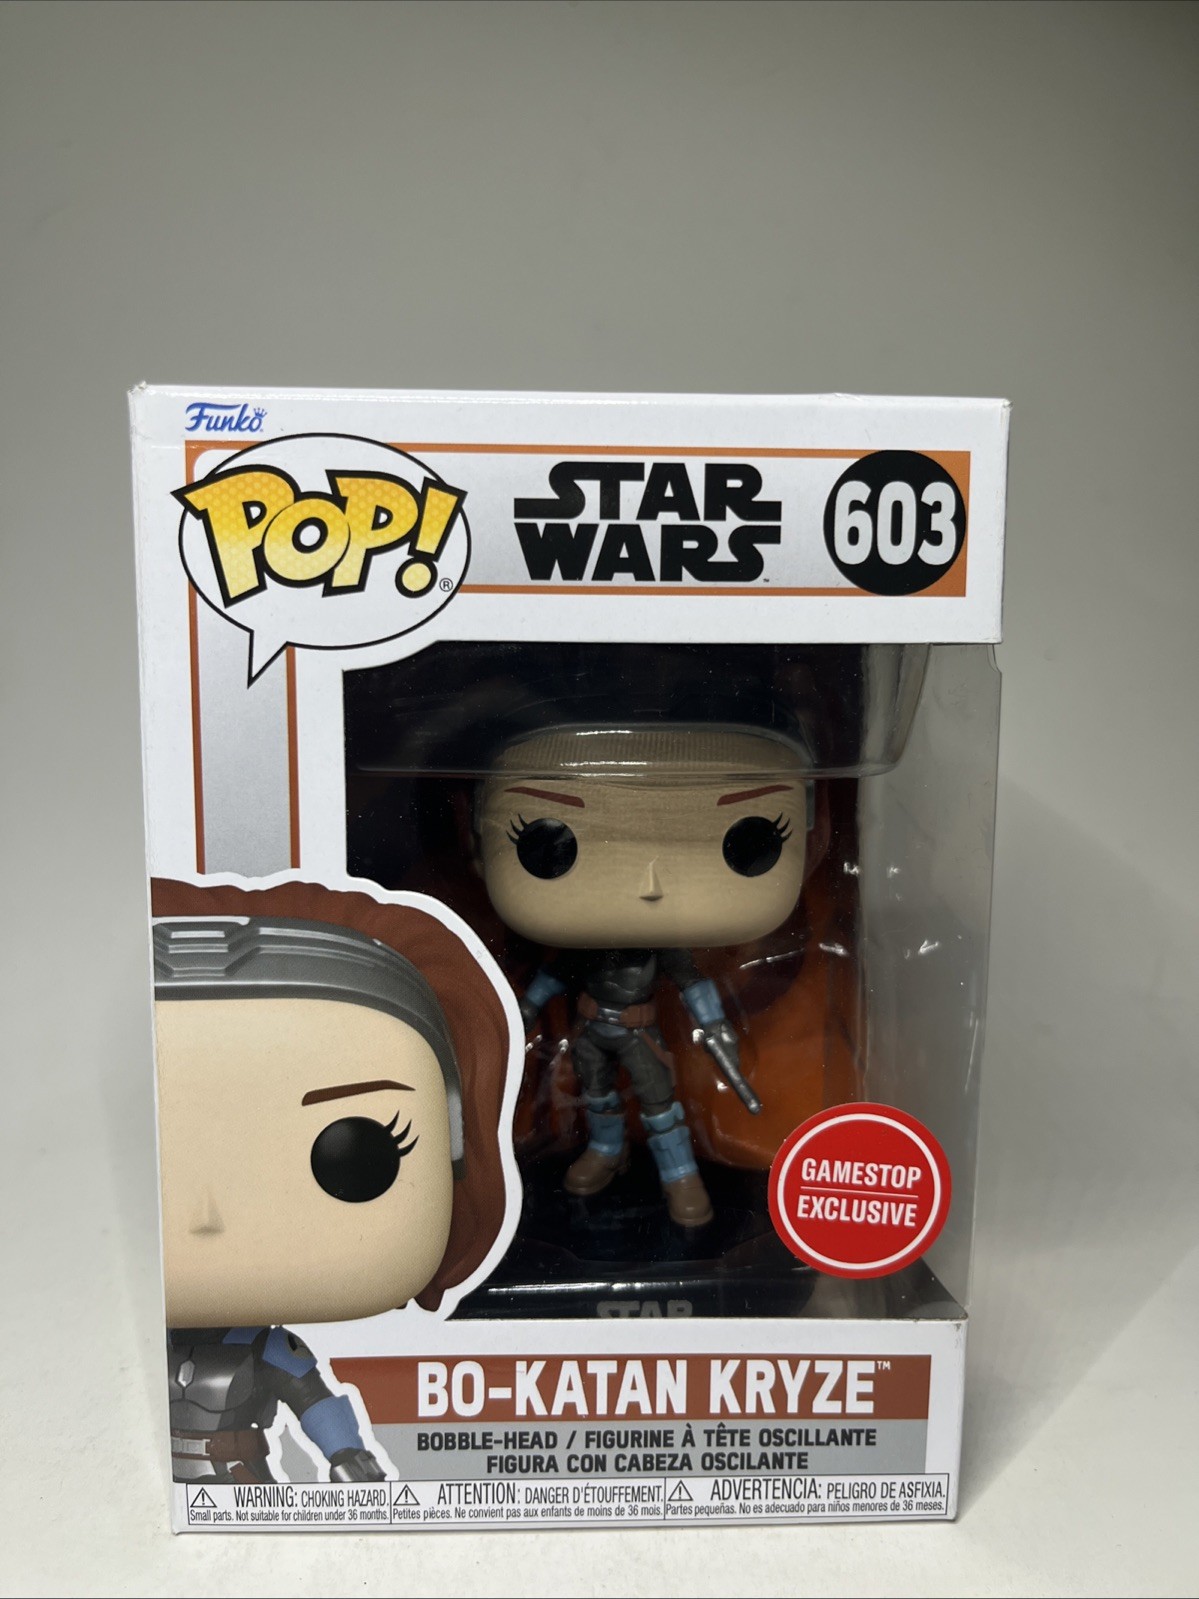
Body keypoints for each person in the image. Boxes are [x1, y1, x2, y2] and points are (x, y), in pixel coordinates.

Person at [151, 881, 511, 1484]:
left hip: (242, 1479)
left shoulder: (263, 1348)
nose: (205, 1217)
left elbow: (314, 1401)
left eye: (357, 1152)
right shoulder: (119, 1342)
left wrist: (351, 1460)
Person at [477, 724, 810, 1226]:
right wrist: (523, 1009)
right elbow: (555, 974)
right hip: (592, 1028)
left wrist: (715, 1027)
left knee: (659, 1105)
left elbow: (692, 982)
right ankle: (607, 1151)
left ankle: (679, 1174)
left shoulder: (662, 945)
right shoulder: (585, 943)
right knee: (597, 1095)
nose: (647, 885)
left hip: (639, 1033)